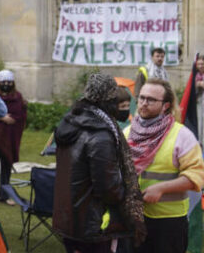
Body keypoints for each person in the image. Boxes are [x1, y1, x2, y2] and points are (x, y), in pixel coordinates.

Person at [53, 73, 146, 253]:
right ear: (107, 100)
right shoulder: (100, 134)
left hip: (69, 218)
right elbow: (108, 187)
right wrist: (127, 200)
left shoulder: (72, 121)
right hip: (93, 224)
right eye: (114, 100)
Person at [125, 78, 204, 253]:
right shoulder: (127, 134)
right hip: (133, 218)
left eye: (151, 100)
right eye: (141, 98)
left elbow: (197, 176)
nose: (144, 103)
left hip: (169, 222)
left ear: (166, 106)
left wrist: (161, 188)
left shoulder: (182, 136)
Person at [0, 70, 28, 205]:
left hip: (10, 138)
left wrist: (12, 118)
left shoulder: (17, 97)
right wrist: (2, 118)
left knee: (6, 168)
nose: (6, 84)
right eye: (4, 82)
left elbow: (19, 117)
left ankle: (4, 196)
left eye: (9, 82)